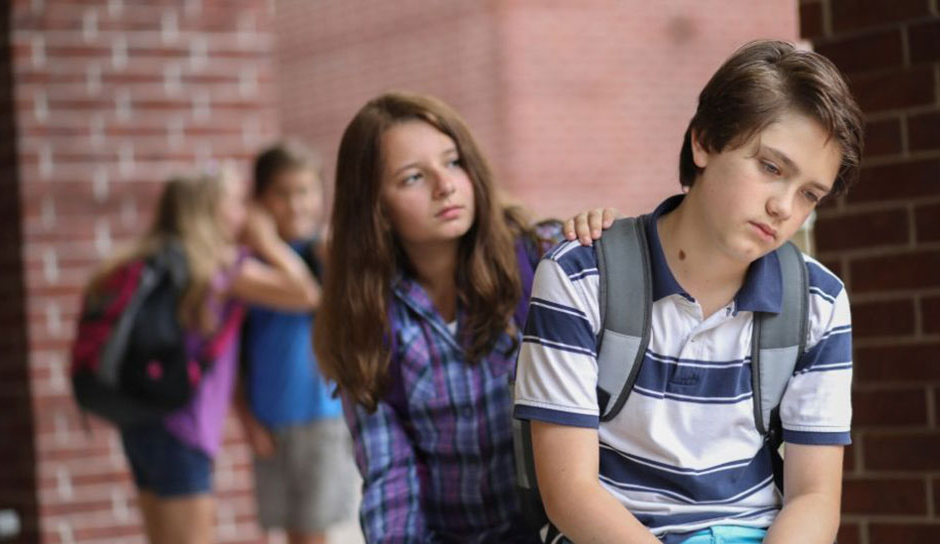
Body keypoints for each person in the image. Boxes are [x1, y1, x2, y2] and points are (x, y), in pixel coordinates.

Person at [513, 40, 864, 544]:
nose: (784, 206)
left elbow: (814, 496)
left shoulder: (819, 302)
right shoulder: (581, 275)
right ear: (703, 142)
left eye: (810, 194)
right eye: (770, 167)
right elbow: (570, 493)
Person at [312, 91, 616, 544]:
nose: (445, 185)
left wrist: (614, 243)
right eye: (413, 177)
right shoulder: (366, 319)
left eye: (453, 162)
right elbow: (390, 477)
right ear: (376, 208)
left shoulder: (544, 259)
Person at [89, 168, 320, 544]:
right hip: (184, 430)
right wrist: (267, 240)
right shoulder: (220, 266)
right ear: (211, 211)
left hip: (139, 422)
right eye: (237, 202)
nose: (245, 212)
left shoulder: (148, 259)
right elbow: (306, 292)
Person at [235, 142, 359, 544]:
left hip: (319, 415)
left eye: (305, 191)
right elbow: (236, 353)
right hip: (270, 421)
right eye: (281, 193)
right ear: (259, 200)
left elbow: (309, 294)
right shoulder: (250, 265)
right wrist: (249, 420)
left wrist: (267, 241)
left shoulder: (325, 253)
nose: (294, 205)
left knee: (313, 533)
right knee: (291, 532)